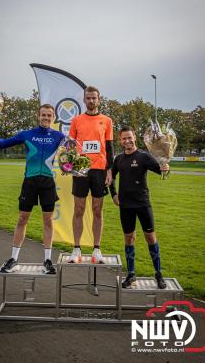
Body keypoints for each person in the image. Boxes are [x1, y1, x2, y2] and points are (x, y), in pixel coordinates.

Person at [0, 104, 65, 274]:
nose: (46, 118)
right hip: (30, 182)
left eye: (49, 115)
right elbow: (3, 144)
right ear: (38, 115)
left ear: (53, 117)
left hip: (48, 182)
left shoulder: (60, 136)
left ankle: (47, 261)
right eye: (43, 115)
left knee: (48, 221)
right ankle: (14, 259)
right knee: (22, 219)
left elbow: (69, 155)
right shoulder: (27, 134)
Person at [110, 126, 168, 289]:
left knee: (151, 238)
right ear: (120, 140)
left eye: (130, 137)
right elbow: (111, 176)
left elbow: (160, 169)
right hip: (125, 206)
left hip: (143, 204)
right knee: (129, 239)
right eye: (124, 138)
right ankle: (131, 274)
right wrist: (113, 194)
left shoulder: (144, 156)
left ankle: (158, 274)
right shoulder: (119, 159)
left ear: (134, 137)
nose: (127, 141)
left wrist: (165, 168)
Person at [68, 86, 114, 264]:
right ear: (84, 99)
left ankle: (97, 249)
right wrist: (69, 164)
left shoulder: (107, 121)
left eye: (94, 98)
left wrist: (109, 170)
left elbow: (109, 147)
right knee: (78, 209)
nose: (91, 101)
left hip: (99, 170)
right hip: (80, 170)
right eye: (88, 98)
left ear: (99, 100)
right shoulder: (76, 120)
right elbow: (71, 146)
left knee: (97, 210)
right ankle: (76, 248)